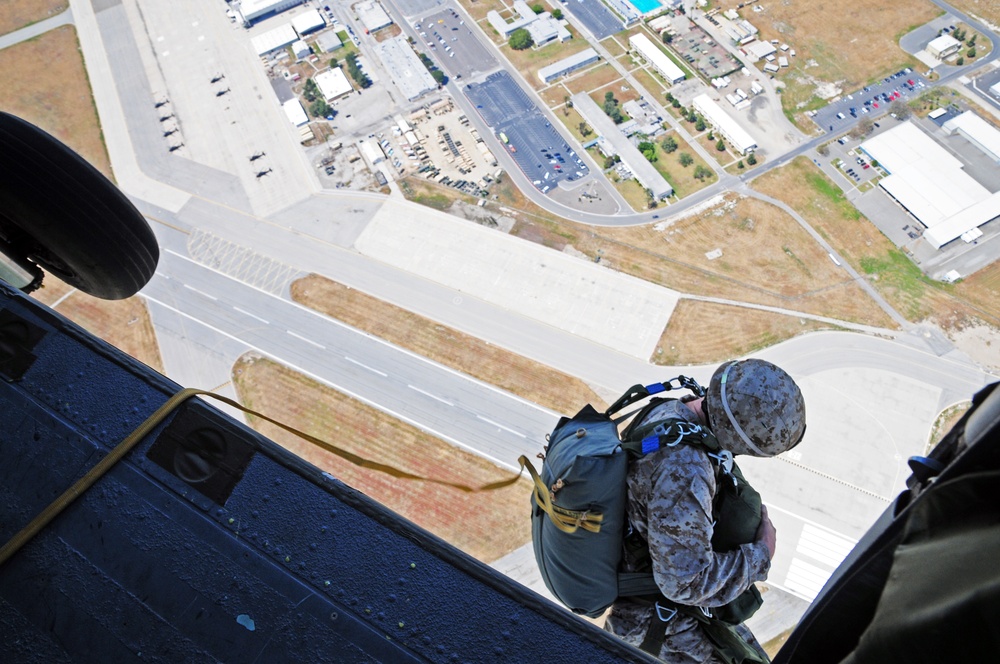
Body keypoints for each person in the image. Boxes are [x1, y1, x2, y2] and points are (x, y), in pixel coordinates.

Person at [605, 359, 807, 663]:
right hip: (660, 627)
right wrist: (762, 553)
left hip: (661, 606)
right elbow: (685, 582)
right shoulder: (686, 468)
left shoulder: (676, 412)